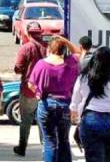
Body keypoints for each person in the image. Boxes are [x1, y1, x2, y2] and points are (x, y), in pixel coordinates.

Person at [29, 36, 80, 162]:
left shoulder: (41, 64)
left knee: (49, 141)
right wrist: (65, 40)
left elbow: (30, 84)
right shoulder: (70, 63)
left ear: (49, 49)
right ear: (63, 49)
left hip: (47, 103)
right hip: (65, 104)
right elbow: (78, 52)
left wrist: (37, 93)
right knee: (64, 140)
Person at [13, 22, 47, 156]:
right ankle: (46, 147)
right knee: (42, 120)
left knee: (26, 120)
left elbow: (18, 68)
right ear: (40, 32)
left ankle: (22, 147)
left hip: (28, 90)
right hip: (44, 90)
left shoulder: (25, 48)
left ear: (28, 32)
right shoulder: (47, 48)